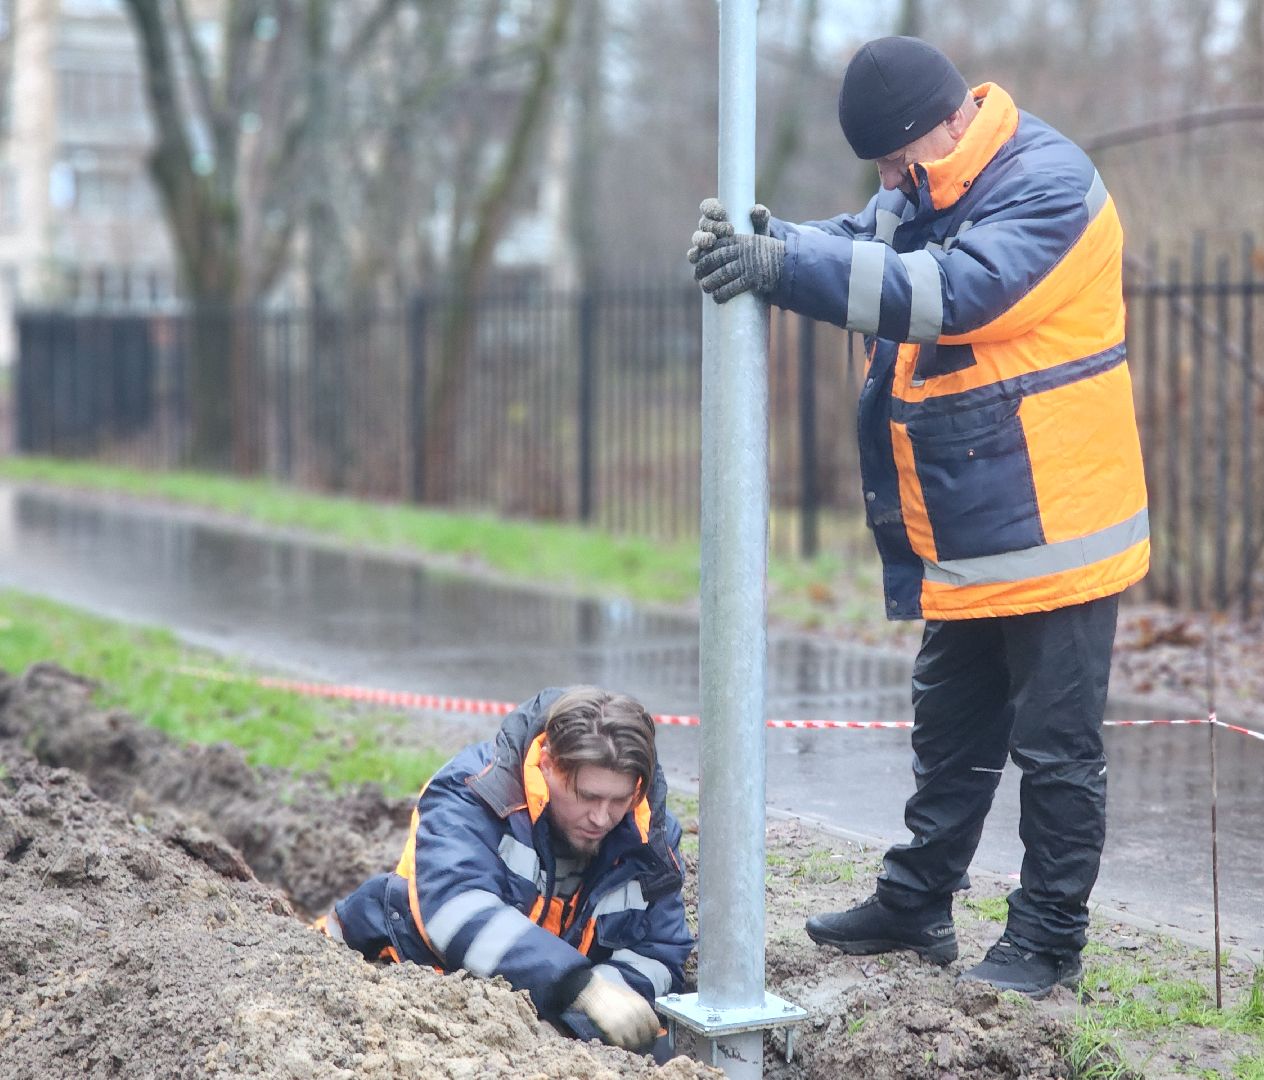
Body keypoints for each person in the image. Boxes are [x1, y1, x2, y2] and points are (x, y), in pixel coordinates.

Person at [688, 36, 1148, 997]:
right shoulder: (933, 176)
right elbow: (869, 241)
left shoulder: (1048, 184)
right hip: (977, 526)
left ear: (948, 122)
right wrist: (783, 238)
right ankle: (917, 903)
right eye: (885, 169)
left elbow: (950, 293)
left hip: (1058, 526)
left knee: (1057, 753)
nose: (892, 180)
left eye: (898, 162)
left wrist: (782, 268)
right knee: (950, 726)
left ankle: (1048, 939)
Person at [316, 686, 692, 1051]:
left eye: (618, 800)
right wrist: (580, 989)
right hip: (389, 980)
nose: (601, 817)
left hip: (538, 1014)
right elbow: (454, 907)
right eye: (587, 796)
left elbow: (660, 950)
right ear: (546, 764)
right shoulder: (473, 791)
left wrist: (582, 1016)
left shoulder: (650, 833)